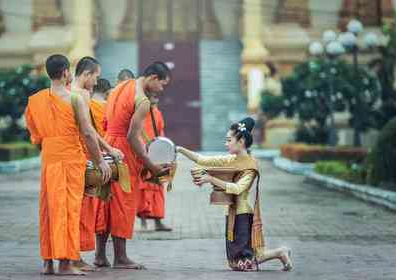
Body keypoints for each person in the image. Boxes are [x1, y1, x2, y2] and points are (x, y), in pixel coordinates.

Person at [25, 54, 111, 275]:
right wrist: (100, 161)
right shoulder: (74, 99)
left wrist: (51, 150)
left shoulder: (35, 100)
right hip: (71, 160)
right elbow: (88, 133)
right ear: (65, 73)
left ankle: (48, 262)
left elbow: (35, 137)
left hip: (49, 161)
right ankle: (65, 262)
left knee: (49, 210)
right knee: (69, 211)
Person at [177, 117, 293, 272]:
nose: (226, 144)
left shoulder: (251, 165)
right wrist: (179, 149)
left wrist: (210, 179)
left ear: (241, 141)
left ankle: (280, 252)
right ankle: (280, 252)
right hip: (233, 212)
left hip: (243, 214)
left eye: (229, 140)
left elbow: (238, 189)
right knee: (241, 261)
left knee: (243, 263)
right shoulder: (232, 159)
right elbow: (203, 160)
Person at [95, 62, 171, 269]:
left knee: (106, 201)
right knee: (123, 203)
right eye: (162, 84)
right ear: (153, 78)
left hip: (108, 145)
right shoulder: (143, 100)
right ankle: (120, 258)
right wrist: (151, 165)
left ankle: (100, 255)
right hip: (123, 151)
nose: (162, 89)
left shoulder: (120, 87)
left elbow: (106, 122)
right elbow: (131, 137)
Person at [69, 57, 123, 272]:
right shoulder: (79, 95)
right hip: (78, 156)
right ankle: (72, 256)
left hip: (76, 155)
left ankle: (74, 255)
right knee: (77, 210)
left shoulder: (71, 93)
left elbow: (89, 129)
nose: (96, 81)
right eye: (96, 76)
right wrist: (103, 156)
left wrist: (107, 150)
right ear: (86, 74)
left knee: (79, 209)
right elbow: (88, 131)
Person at [137, 95, 172, 231]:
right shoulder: (139, 112)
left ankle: (158, 222)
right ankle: (143, 223)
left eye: (157, 97)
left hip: (157, 154)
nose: (156, 98)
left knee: (158, 188)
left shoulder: (157, 113)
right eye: (153, 96)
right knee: (144, 188)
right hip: (144, 153)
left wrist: (165, 151)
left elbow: (160, 132)